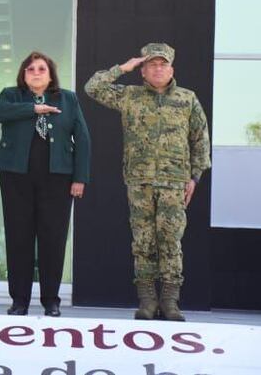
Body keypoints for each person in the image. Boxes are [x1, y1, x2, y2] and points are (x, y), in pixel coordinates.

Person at [84, 43, 210, 322]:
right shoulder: (130, 96)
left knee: (171, 241)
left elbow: (200, 140)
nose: (158, 69)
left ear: (172, 69)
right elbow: (93, 88)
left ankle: (170, 302)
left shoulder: (187, 99)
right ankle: (148, 301)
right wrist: (123, 67)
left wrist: (195, 177)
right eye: (152, 64)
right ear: (143, 71)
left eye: (163, 64)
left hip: (175, 182)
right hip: (139, 182)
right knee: (143, 242)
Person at [0, 52, 91, 317]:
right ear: (23, 74)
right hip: (16, 177)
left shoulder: (67, 98)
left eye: (41, 69)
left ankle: (51, 300)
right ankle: (19, 300)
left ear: (51, 74)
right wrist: (33, 109)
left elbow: (82, 138)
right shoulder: (12, 95)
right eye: (31, 69)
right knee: (18, 237)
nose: (36, 73)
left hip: (58, 178)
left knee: (53, 238)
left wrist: (79, 178)